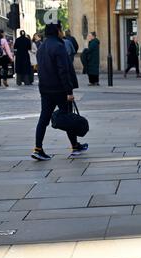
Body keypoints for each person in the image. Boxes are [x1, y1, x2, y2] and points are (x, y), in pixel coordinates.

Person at [32, 20, 88, 161]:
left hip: (45, 89)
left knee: (43, 119)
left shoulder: (42, 47)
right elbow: (63, 71)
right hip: (59, 90)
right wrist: (69, 91)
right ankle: (75, 147)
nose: (62, 31)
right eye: (61, 28)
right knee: (68, 116)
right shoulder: (59, 46)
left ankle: (38, 148)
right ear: (57, 30)